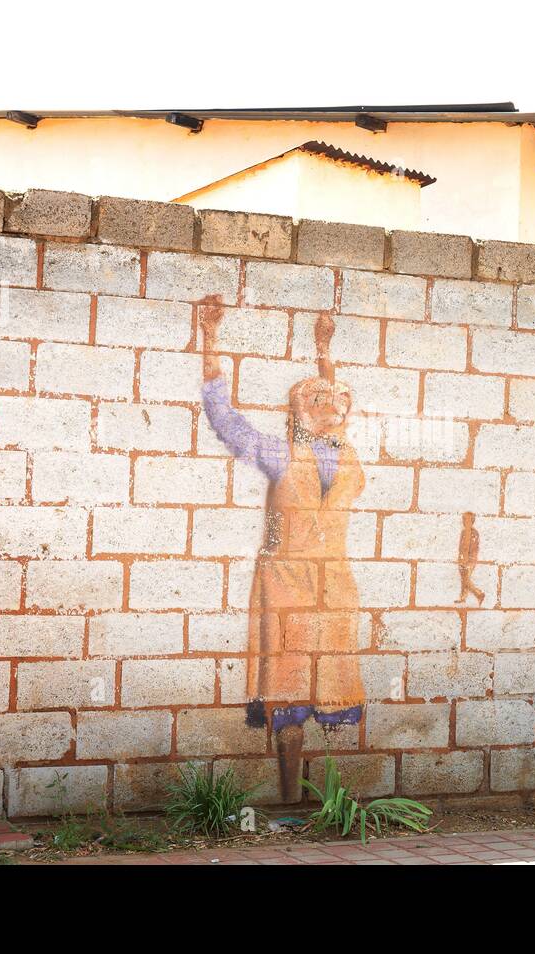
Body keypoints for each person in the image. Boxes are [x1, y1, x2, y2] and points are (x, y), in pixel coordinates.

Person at [198, 296, 366, 803]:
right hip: (286, 583)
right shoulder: (279, 452)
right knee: (288, 686)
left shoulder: (346, 452)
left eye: (339, 402)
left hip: (334, 584)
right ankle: (291, 796)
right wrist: (209, 340)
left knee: (333, 688)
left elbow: (329, 391)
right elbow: (225, 419)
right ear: (299, 412)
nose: (334, 406)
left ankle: (329, 797)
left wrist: (323, 347)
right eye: (320, 402)